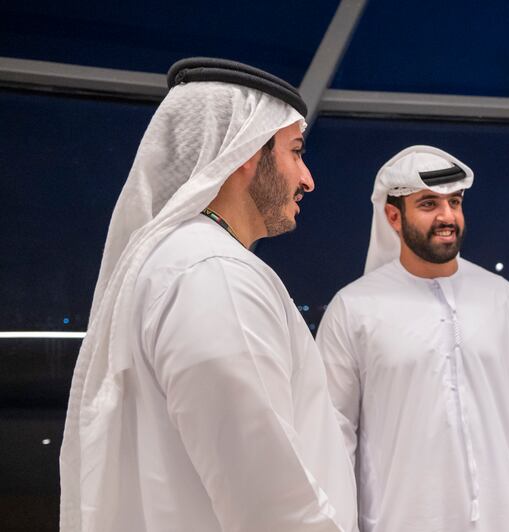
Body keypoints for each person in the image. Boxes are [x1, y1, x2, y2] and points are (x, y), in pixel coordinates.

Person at [59, 58, 357, 532]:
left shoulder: (174, 262)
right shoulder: (214, 274)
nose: (307, 178)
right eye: (295, 152)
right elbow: (270, 502)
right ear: (244, 149)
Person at [316, 145, 509, 532]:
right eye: (428, 204)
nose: (447, 217)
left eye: (454, 202)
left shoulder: (500, 297)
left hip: (504, 520)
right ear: (393, 216)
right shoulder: (354, 307)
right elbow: (333, 434)